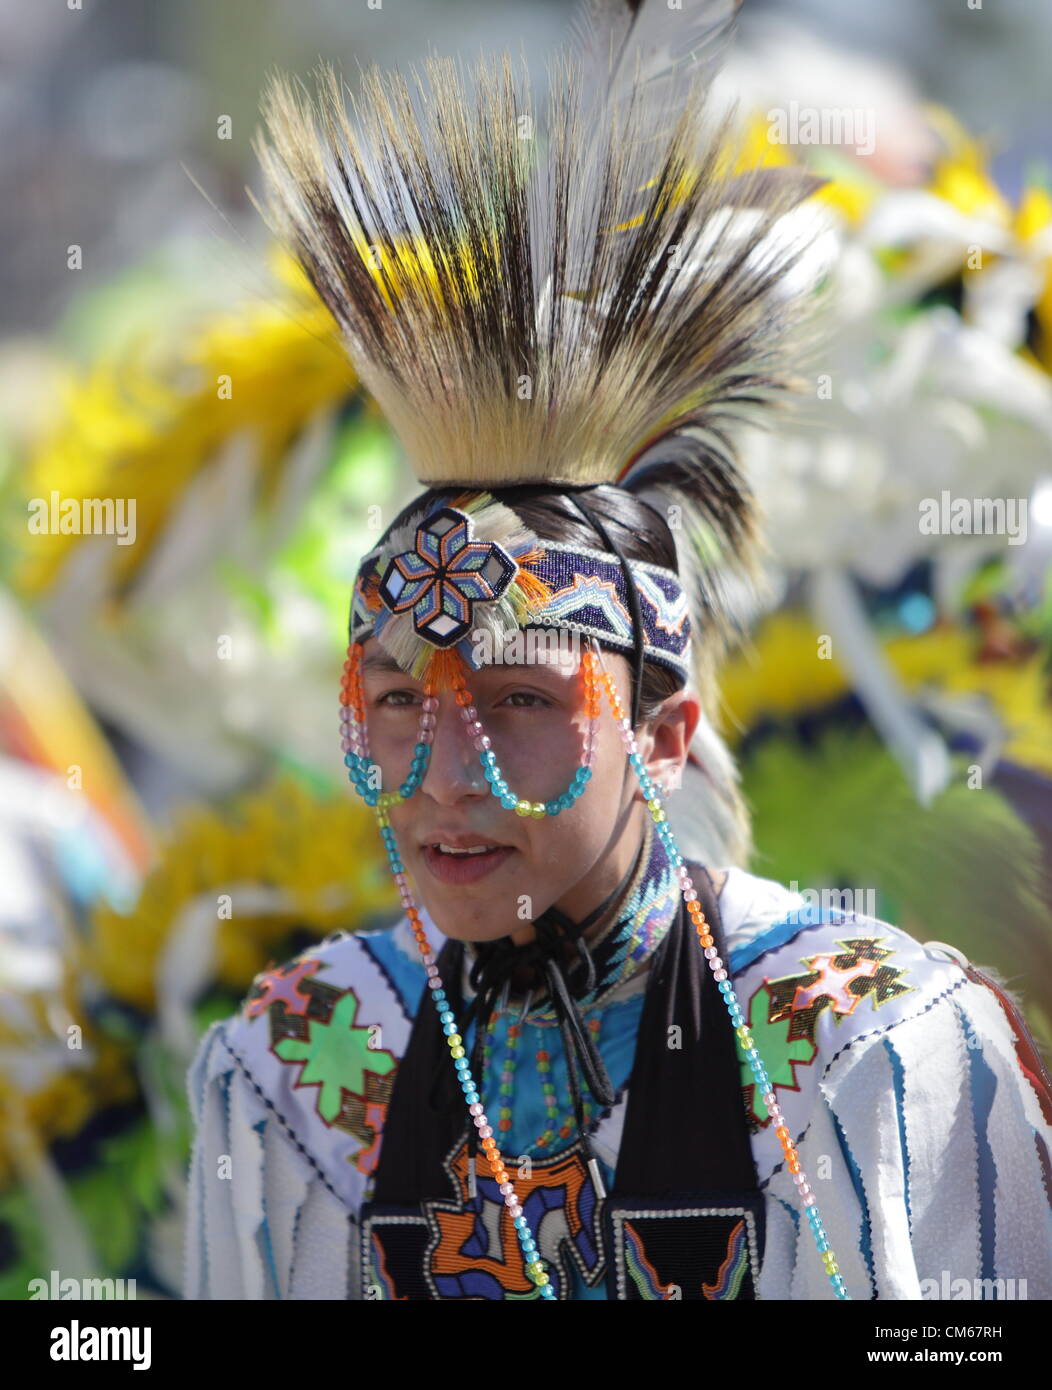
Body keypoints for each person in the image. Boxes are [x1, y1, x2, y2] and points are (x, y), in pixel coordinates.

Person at [183, 0, 1052, 1300]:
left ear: (666, 732)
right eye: (394, 701)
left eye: (522, 699)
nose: (446, 773)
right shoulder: (291, 1057)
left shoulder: (876, 1039)